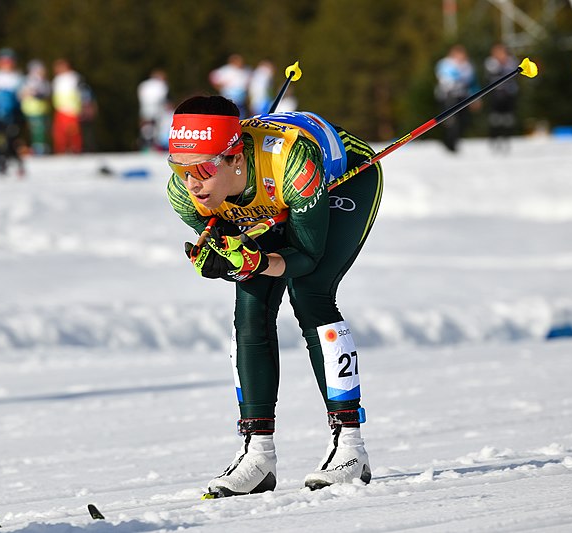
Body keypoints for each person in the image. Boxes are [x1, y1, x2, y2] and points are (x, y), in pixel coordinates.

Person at [166, 95, 383, 496]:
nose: (192, 182)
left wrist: (254, 261)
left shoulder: (292, 164)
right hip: (269, 197)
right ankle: (257, 454)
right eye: (179, 168)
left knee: (310, 292)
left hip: (343, 175)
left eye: (201, 168)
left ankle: (351, 448)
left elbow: (305, 255)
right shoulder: (184, 192)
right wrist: (221, 252)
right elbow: (225, 241)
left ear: (233, 158)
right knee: (249, 308)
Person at [0, 48, 25, 176]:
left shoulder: (17, 77)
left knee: (12, 139)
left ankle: (14, 161)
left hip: (13, 114)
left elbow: (21, 96)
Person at [435, 44, 478, 152]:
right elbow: (445, 80)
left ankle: (455, 142)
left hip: (462, 96)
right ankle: (449, 144)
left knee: (463, 121)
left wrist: (475, 97)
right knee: (450, 122)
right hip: (448, 97)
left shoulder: (467, 66)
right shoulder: (445, 64)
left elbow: (472, 83)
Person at [484, 43, 518, 152]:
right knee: (495, 118)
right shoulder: (491, 62)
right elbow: (493, 72)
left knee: (508, 118)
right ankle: (494, 139)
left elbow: (514, 72)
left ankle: (506, 139)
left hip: (509, 94)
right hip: (496, 94)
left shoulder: (511, 61)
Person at [20, 59, 51, 154]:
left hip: (42, 110)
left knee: (42, 130)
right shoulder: (30, 80)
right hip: (32, 110)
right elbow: (23, 94)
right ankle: (36, 148)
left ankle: (41, 147)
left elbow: (47, 93)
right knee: (36, 130)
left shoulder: (43, 81)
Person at [51, 58, 83, 153]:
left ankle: (75, 149)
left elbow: (81, 92)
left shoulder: (74, 77)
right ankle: (61, 149)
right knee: (59, 132)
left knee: (73, 131)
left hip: (71, 109)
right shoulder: (57, 79)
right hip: (60, 109)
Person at [137, 69, 169, 151]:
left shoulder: (144, 84)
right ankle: (153, 145)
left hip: (145, 107)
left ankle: (146, 144)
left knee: (147, 126)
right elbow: (162, 98)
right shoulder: (161, 85)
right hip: (157, 108)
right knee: (156, 128)